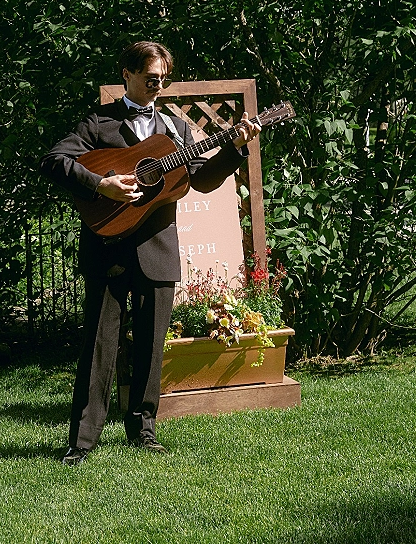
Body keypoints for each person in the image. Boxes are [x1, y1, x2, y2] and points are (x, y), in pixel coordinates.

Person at [40, 41, 260, 465]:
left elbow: (203, 180)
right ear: (127, 74)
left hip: (158, 251)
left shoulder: (176, 129)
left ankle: (143, 432)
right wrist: (99, 184)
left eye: (163, 79)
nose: (157, 85)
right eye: (150, 78)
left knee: (151, 348)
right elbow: (53, 161)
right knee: (99, 347)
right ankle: (81, 442)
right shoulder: (98, 124)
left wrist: (236, 147)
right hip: (108, 247)